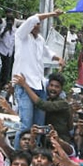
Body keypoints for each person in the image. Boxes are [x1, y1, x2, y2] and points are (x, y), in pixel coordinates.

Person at [11, 9, 65, 143]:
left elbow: (48, 53)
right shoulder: (21, 35)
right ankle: (18, 156)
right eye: (35, 23)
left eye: (38, 24)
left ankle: (36, 154)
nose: (36, 25)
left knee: (40, 127)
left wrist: (58, 58)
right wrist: (52, 14)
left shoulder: (40, 40)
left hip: (40, 86)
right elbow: (32, 19)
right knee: (26, 125)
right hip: (24, 85)